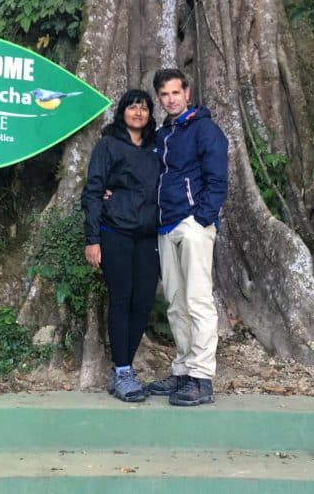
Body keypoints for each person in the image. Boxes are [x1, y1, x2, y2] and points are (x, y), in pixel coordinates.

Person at [145, 66, 228, 408]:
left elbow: (218, 178)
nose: (170, 99)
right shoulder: (164, 134)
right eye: (164, 95)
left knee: (197, 300)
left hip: (192, 225)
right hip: (166, 226)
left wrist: (201, 218)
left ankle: (202, 378)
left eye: (175, 93)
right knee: (176, 303)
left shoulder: (204, 129)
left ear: (187, 93)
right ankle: (183, 369)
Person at [81, 88, 161, 402]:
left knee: (143, 301)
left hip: (149, 235)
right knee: (121, 298)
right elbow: (92, 192)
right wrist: (93, 239)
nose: (138, 113)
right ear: (122, 112)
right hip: (116, 232)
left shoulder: (157, 147)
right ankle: (123, 369)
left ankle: (122, 371)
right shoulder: (108, 145)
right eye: (132, 107)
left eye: (143, 108)